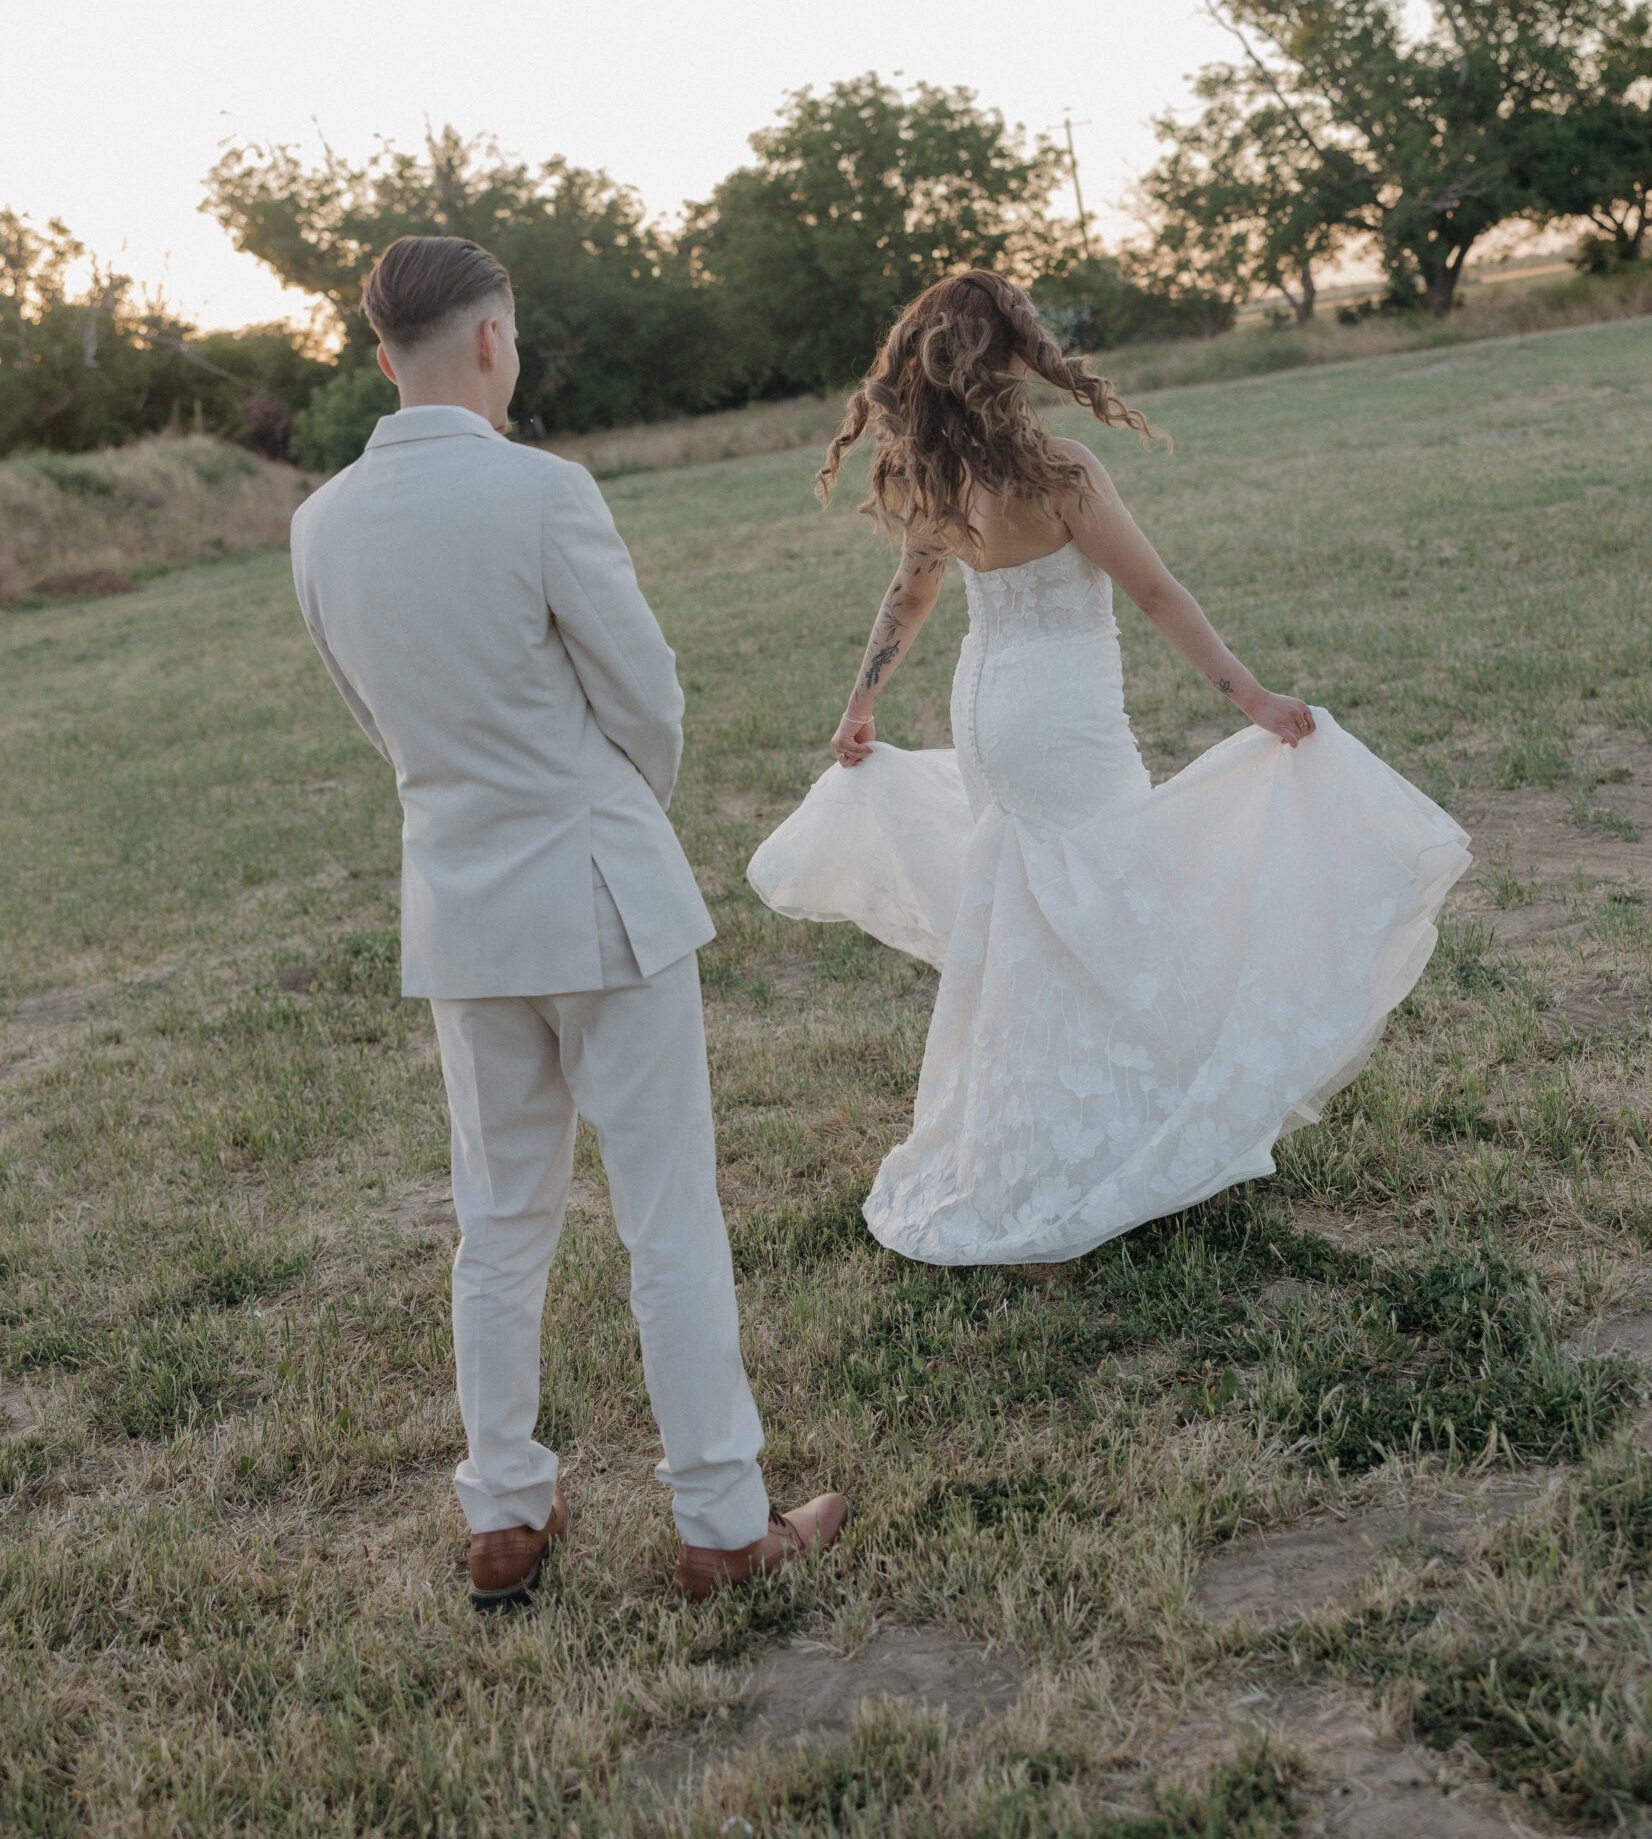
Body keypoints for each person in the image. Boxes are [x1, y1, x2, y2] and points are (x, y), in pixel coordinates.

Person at [289, 234, 847, 1607]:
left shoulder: (318, 524)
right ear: (489, 339)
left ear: (381, 354)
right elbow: (646, 698)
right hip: (597, 892)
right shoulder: (543, 491)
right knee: (665, 1216)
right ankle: (719, 1520)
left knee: (496, 1220)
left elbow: (379, 726)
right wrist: (616, 815)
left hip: (460, 910)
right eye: (514, 336)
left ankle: (503, 1512)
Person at [748, 268, 1470, 1268]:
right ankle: (1109, 1140)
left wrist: (860, 702)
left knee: (1035, 925)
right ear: (1015, 355)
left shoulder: (940, 476)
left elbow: (908, 600)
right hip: (1060, 719)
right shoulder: (1061, 471)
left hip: (985, 711)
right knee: (1118, 905)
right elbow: (1157, 591)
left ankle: (1058, 1128)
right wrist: (1252, 697)